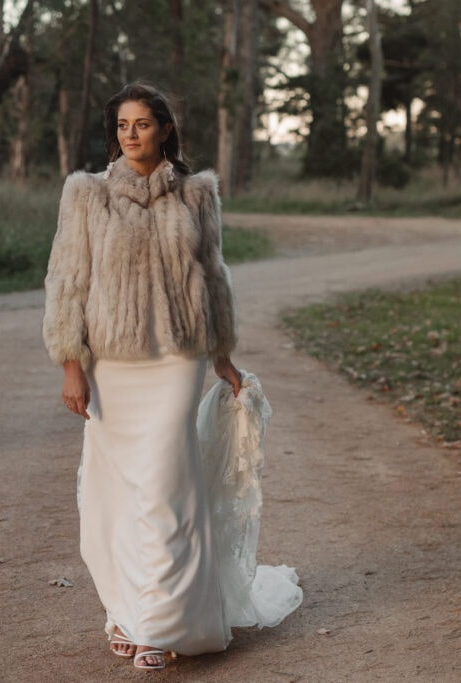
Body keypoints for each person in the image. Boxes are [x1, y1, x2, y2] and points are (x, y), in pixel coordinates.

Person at [43, 82, 298, 671]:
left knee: (165, 489)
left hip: (177, 361)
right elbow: (66, 281)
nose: (132, 135)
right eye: (123, 125)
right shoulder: (86, 196)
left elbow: (214, 276)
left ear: (164, 129)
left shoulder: (195, 195)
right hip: (111, 362)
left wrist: (224, 357)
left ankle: (161, 624)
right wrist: (70, 365)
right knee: (116, 494)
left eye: (143, 124)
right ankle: (126, 612)